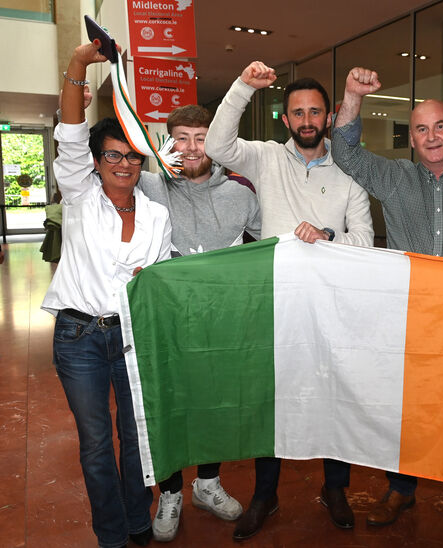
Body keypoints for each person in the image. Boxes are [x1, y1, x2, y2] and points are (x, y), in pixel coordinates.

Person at [331, 67, 443, 537]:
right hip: (406, 316)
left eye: (439, 127)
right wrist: (353, 96)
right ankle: (401, 489)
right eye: (420, 129)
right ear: (409, 138)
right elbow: (343, 150)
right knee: (404, 406)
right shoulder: (392, 178)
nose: (431, 137)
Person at [204, 61, 374, 540]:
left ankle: (335, 488)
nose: (305, 120)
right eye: (297, 112)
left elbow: (366, 240)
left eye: (315, 112)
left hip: (334, 309)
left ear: (329, 116)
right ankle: (266, 494)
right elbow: (217, 146)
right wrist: (241, 87)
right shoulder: (265, 158)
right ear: (285, 119)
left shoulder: (350, 173)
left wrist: (327, 235)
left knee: (334, 397)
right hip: (276, 305)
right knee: (271, 401)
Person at [41, 41, 172, 548]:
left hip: (132, 337)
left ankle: (139, 521)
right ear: (96, 163)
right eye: (112, 155)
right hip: (79, 338)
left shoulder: (158, 216)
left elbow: (155, 284)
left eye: (132, 156)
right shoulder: (79, 197)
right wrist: (77, 64)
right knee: (97, 445)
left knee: (137, 436)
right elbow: (71, 132)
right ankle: (112, 535)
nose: (123, 164)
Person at [136, 104, 260, 541]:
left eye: (201, 138)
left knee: (216, 402)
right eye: (181, 138)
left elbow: (272, 243)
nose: (191, 148)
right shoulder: (146, 185)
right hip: (165, 323)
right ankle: (168, 492)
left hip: (223, 324)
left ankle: (207, 483)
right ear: (167, 142)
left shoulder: (242, 194)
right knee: (169, 403)